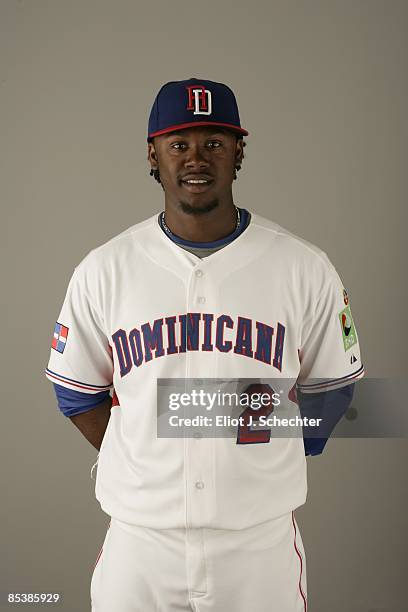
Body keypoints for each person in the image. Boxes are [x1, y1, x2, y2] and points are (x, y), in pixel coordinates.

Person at [45, 78, 365, 612]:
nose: (197, 159)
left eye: (214, 143)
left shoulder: (303, 266)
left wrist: (250, 449)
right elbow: (77, 395)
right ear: (154, 154)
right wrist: (146, 451)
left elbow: (333, 393)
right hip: (140, 545)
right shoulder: (105, 268)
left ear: (239, 151)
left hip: (257, 545)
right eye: (179, 145)